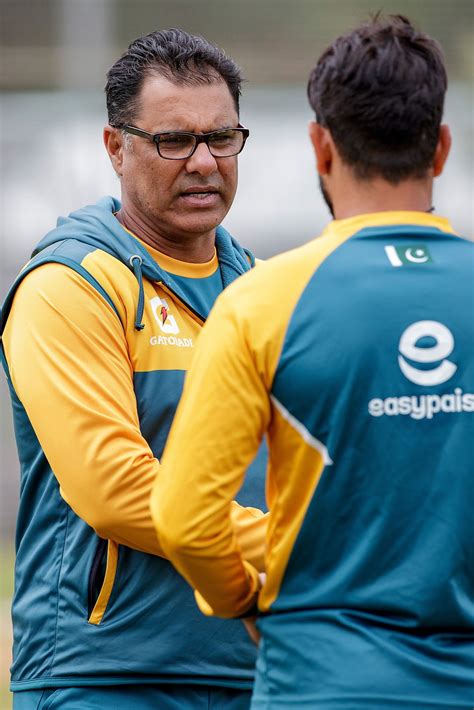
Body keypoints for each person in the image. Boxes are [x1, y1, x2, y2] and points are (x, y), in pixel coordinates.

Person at [152, 15, 474, 709]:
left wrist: (249, 604)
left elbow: (184, 517)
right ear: (442, 147)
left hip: (320, 680)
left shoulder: (260, 302)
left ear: (320, 147)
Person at [0, 28, 268, 710]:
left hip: (256, 671)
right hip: (104, 676)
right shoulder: (72, 283)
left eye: (222, 137)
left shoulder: (263, 292)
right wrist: (287, 545)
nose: (205, 162)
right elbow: (113, 489)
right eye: (174, 141)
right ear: (116, 147)